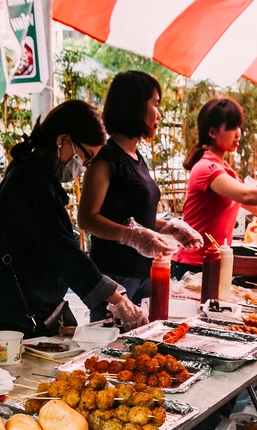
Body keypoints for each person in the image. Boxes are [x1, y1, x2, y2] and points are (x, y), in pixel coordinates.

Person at [0, 99, 147, 348]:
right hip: (11, 319)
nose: (83, 167)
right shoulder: (30, 185)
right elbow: (66, 255)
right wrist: (118, 300)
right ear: (63, 140)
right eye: (85, 156)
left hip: (32, 308)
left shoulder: (37, 177)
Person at [78, 70, 202, 318]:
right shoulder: (106, 158)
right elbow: (87, 218)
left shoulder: (137, 157)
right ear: (134, 106)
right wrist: (129, 236)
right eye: (155, 104)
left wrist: (170, 227)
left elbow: (133, 216)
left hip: (145, 273)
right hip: (115, 277)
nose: (159, 114)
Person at [172, 97, 257, 279]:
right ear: (212, 132)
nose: (238, 133)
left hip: (213, 262)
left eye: (239, 127)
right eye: (232, 127)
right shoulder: (206, 168)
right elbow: (247, 195)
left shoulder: (225, 171)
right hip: (193, 265)